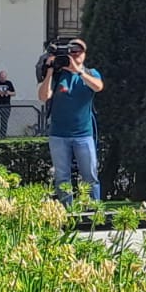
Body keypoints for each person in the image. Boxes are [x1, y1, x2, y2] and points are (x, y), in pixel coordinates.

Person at [37, 39, 104, 205]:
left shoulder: (90, 73)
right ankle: (67, 210)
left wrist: (78, 71)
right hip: (59, 135)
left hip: (83, 134)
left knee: (90, 175)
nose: (74, 55)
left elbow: (98, 87)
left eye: (78, 52)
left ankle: (94, 210)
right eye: (71, 52)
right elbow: (44, 96)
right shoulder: (59, 76)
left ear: (84, 55)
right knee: (62, 176)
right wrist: (50, 71)